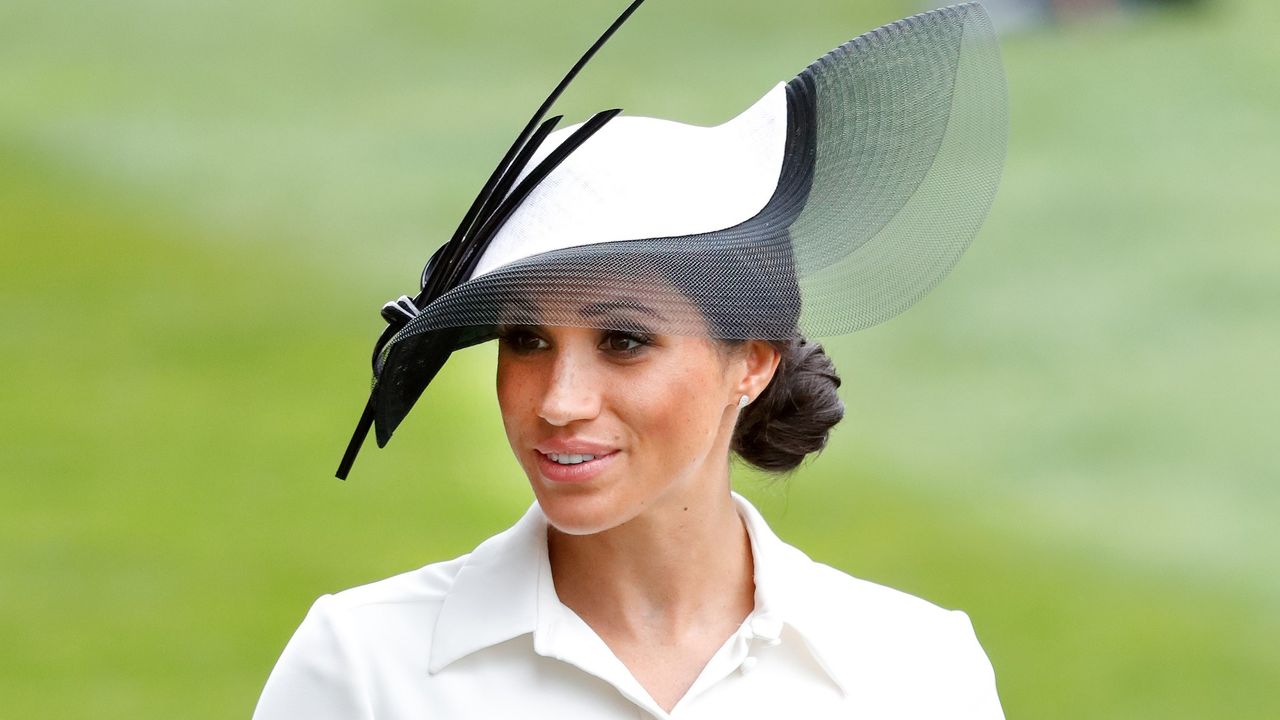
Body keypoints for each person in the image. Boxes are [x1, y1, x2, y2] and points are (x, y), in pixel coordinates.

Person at [255, 1, 1008, 717]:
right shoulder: (363, 669)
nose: (558, 401)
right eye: (526, 340)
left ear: (751, 361)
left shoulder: (917, 673)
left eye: (623, 341)